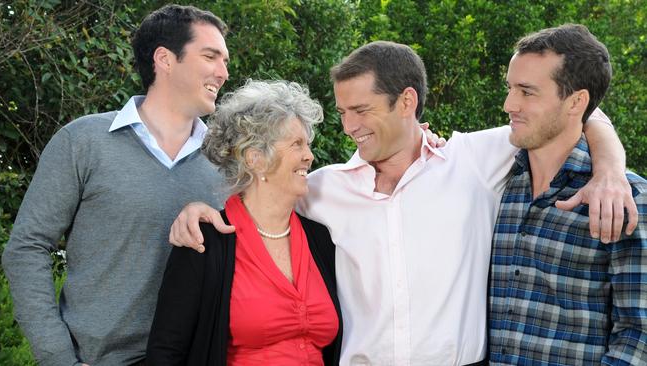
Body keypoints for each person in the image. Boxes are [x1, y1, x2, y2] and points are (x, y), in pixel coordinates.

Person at [169, 41, 636, 365]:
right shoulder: (322, 189)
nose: (349, 125)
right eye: (342, 112)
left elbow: (575, 112)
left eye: (362, 110)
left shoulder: (473, 160)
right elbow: (257, 201)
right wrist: (199, 210)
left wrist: (610, 169)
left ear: (407, 101)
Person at [1, 5, 229, 365]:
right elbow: (26, 248)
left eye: (225, 61)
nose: (223, 72)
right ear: (165, 59)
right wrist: (58, 357)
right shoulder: (83, 141)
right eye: (211, 56)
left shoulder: (225, 162)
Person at [146, 80, 342, 365]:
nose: (309, 156)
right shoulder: (204, 242)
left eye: (307, 144)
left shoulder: (320, 238)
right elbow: (166, 352)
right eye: (296, 144)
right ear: (256, 159)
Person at [488, 24, 647, 364]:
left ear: (576, 101)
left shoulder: (626, 197)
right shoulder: (496, 180)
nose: (508, 104)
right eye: (510, 88)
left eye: (527, 92)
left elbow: (639, 336)